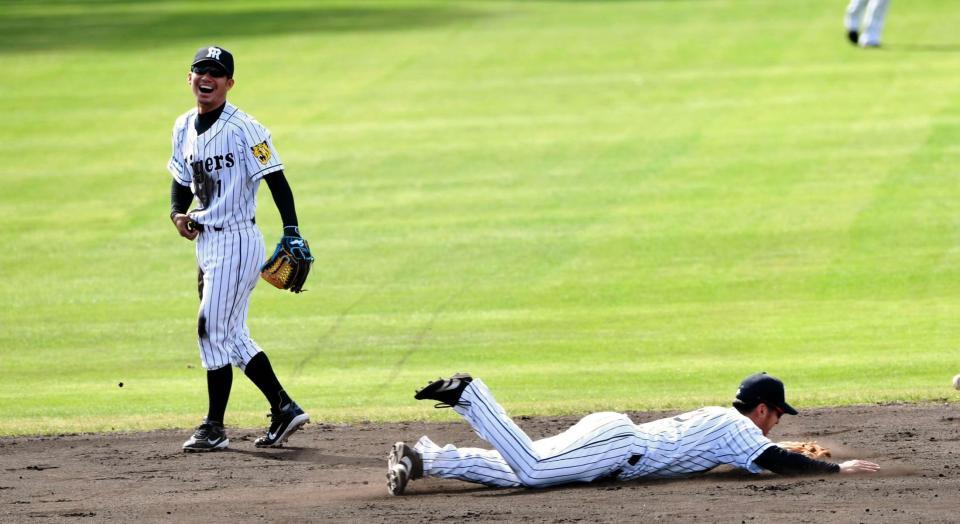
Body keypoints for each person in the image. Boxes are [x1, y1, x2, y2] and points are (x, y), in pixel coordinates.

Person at [386, 372, 879, 495]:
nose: (777, 424)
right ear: (764, 409)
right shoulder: (737, 428)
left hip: (614, 441)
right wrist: (836, 467)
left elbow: (769, 453)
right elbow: (776, 461)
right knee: (534, 473)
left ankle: (425, 459)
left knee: (520, 466)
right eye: (778, 415)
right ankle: (471, 395)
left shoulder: (724, 423)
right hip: (620, 446)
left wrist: (787, 450)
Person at [167, 45, 310, 451]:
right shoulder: (181, 127)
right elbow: (180, 177)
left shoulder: (245, 128)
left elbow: (276, 177)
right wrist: (177, 213)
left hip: (237, 241)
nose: (206, 78)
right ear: (190, 78)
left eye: (216, 72)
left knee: (210, 329)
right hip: (207, 242)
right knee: (232, 335)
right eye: (200, 71)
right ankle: (284, 408)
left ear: (229, 82)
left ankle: (214, 426)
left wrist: (292, 229)